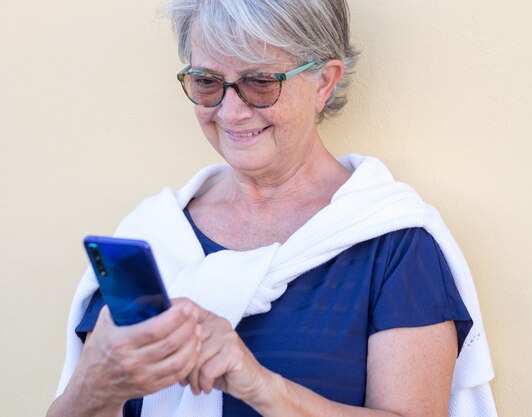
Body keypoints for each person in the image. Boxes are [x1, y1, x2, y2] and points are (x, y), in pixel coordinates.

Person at [48, 1, 497, 416]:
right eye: (207, 82)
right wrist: (95, 385)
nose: (231, 111)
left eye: (260, 82)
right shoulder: (153, 237)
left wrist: (260, 385)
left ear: (324, 81)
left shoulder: (392, 242)